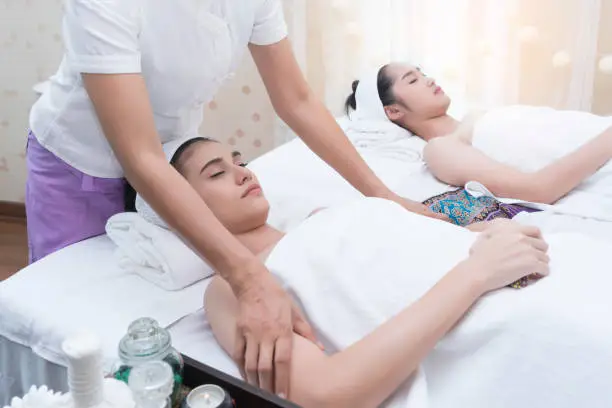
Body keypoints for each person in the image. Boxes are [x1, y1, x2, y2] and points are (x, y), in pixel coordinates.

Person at [25, 2, 446, 396]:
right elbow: (139, 156)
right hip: (80, 163)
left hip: (167, 149)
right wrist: (249, 281)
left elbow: (296, 100)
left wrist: (384, 198)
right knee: (74, 330)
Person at [161, 136, 550, 405]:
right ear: (181, 208)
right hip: (510, 323)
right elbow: (326, 394)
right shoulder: (230, 291)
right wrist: (477, 273)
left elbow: (427, 243)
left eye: (239, 161)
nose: (245, 172)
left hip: (534, 265)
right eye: (216, 173)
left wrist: (493, 230)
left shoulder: (321, 216)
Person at [343, 63, 612, 205]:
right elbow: (538, 190)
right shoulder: (441, 149)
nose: (429, 79)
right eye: (413, 80)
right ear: (393, 112)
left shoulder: (476, 116)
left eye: (422, 72)